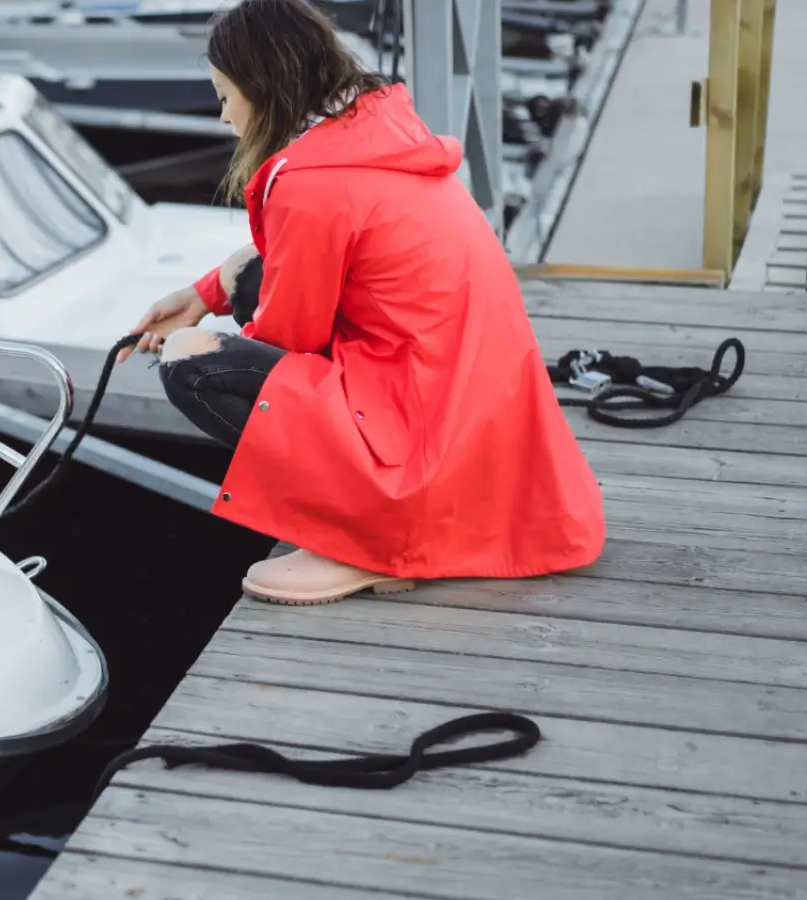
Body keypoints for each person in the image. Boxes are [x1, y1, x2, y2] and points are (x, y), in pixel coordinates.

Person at [120, 0, 606, 605]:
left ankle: (365, 540)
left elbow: (287, 337)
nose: (223, 117)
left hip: (420, 434)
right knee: (247, 277)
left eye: (225, 95)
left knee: (192, 366)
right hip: (464, 406)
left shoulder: (308, 184)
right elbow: (280, 263)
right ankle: (374, 516)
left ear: (261, 86)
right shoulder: (370, 133)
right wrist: (201, 294)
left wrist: (201, 332)